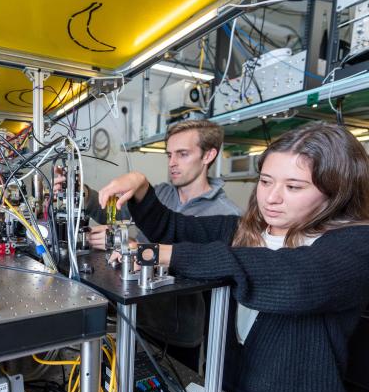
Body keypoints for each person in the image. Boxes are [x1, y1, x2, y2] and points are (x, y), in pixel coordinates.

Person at [98, 122, 369, 392]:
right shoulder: (246, 230)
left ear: (336, 190)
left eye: (293, 187)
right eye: (267, 181)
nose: (271, 197)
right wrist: (143, 191)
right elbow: (177, 228)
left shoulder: (354, 243)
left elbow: (293, 280)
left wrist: (160, 255)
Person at [55, 120, 241, 367]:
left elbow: (206, 267)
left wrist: (139, 251)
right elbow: (116, 214)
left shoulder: (225, 215)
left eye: (183, 154)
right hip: (135, 315)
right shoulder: (162, 193)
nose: (172, 162)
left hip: (177, 332)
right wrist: (83, 194)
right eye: (169, 154)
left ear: (209, 155)